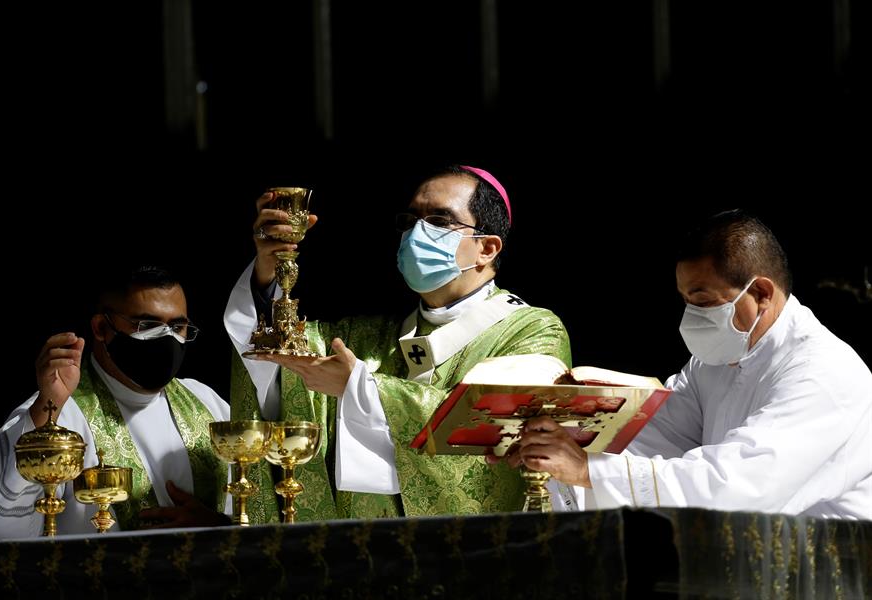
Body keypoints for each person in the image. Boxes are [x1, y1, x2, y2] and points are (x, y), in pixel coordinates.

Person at [225, 165, 572, 522]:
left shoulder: (532, 330)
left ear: (486, 248)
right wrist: (270, 268)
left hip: (474, 544)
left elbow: (491, 424)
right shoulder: (367, 340)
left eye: (439, 220)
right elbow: (275, 353)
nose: (417, 232)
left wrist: (358, 387)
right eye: (411, 219)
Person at [505, 210, 872, 519]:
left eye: (704, 302)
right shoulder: (713, 362)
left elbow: (735, 487)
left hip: (824, 564)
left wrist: (588, 469)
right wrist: (555, 442)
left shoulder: (824, 373)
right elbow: (656, 439)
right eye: (685, 301)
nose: (692, 317)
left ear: (761, 293)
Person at [0, 266, 232, 538]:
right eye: (148, 326)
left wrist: (218, 525)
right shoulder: (62, 411)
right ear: (101, 328)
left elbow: (254, 501)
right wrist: (48, 405)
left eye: (178, 327)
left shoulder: (204, 401)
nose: (167, 338)